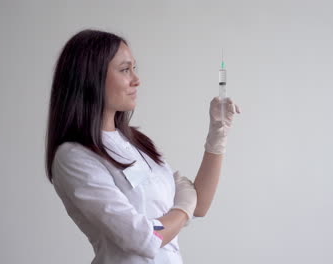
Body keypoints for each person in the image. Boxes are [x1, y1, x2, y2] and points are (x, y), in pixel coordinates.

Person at [45, 29, 240, 264]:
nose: (136, 80)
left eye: (134, 68)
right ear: (90, 77)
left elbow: (199, 203)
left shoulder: (133, 143)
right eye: (125, 70)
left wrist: (217, 135)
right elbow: (144, 238)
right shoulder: (74, 156)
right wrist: (182, 209)